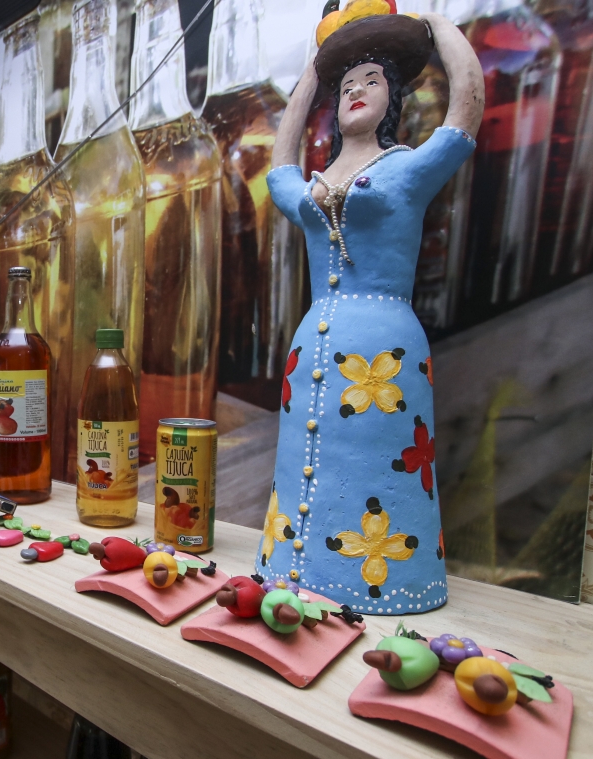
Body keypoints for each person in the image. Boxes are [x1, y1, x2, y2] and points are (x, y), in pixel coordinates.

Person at [254, 12, 484, 614]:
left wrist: (438, 26)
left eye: (371, 80)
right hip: (314, 349)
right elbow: (278, 167)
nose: (355, 90)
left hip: (387, 350)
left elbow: (464, 113)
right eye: (346, 83)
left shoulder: (406, 168)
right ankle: (292, 564)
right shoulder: (311, 184)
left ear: (393, 99)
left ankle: (382, 580)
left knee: (383, 461)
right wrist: (312, 72)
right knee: (303, 458)